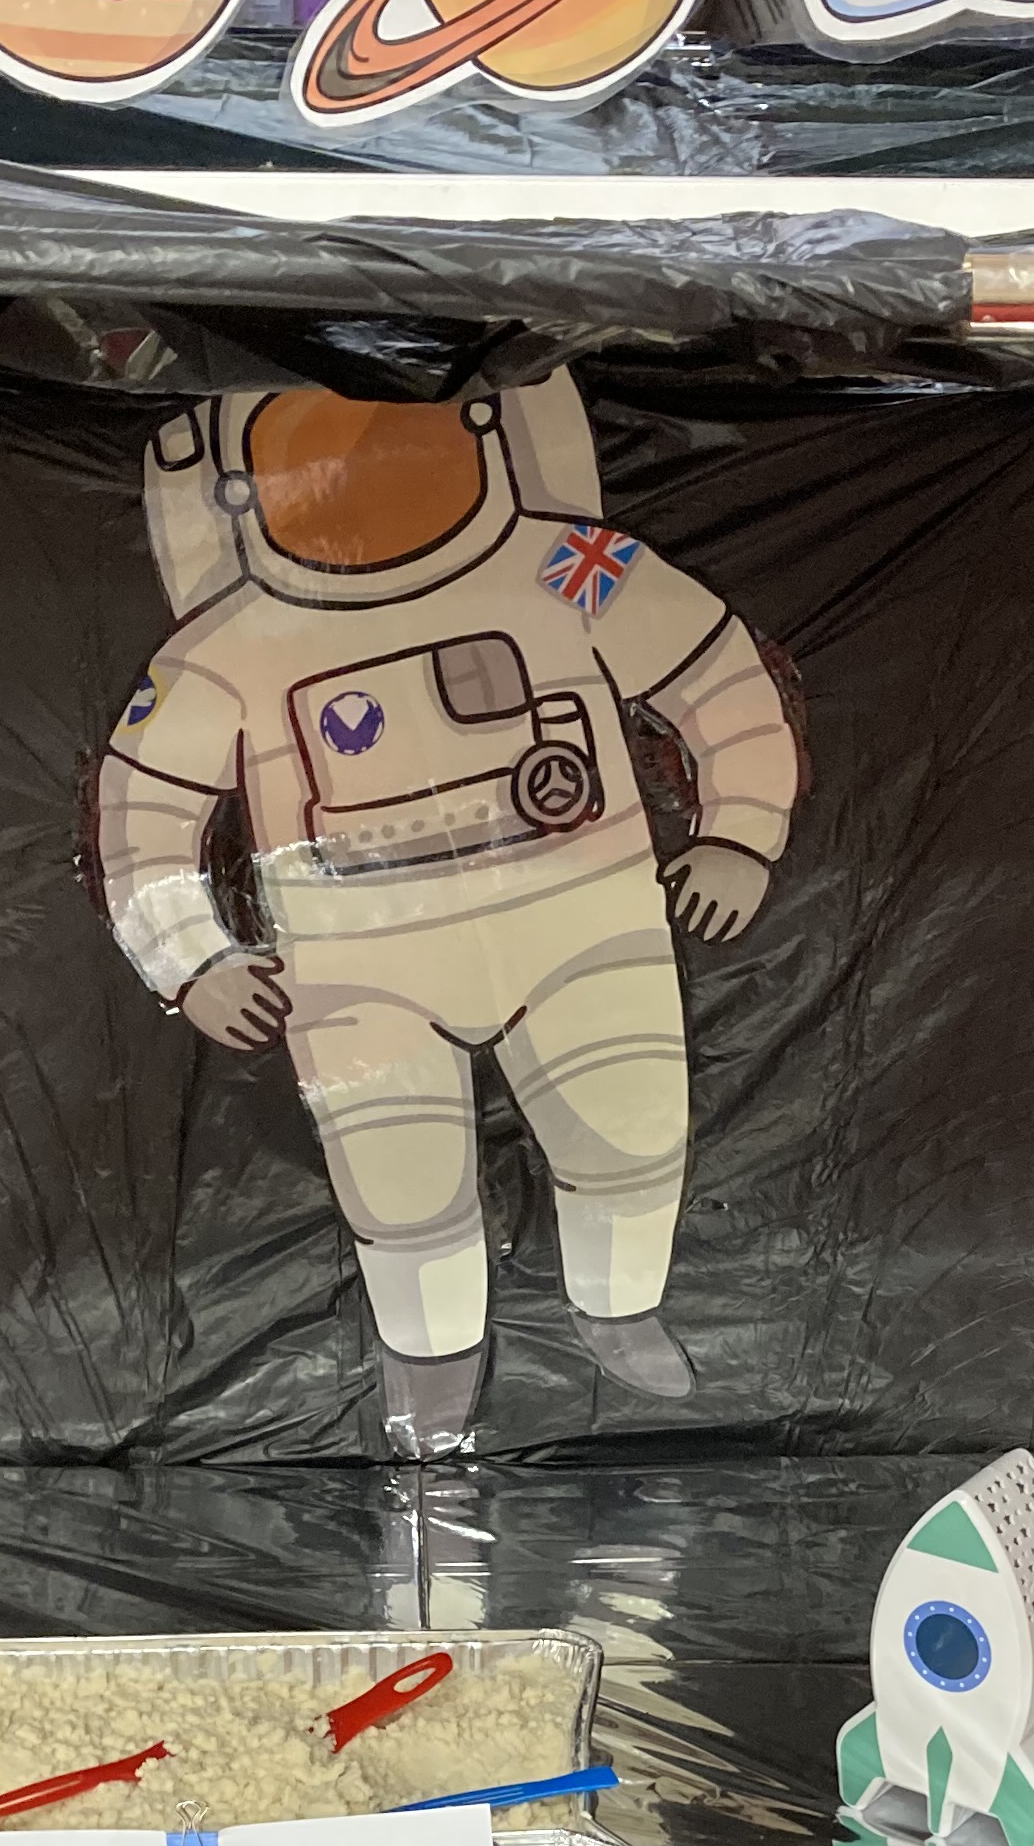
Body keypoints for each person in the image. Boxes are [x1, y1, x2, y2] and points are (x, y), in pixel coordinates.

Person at [91, 374, 802, 1452]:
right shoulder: (226, 650)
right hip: (360, 969)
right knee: (399, 1187)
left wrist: (741, 829)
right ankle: (431, 1363)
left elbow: (715, 677)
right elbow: (144, 811)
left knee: (630, 1139)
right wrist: (192, 959)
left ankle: (618, 1310)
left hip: (583, 924)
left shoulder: (567, 568)